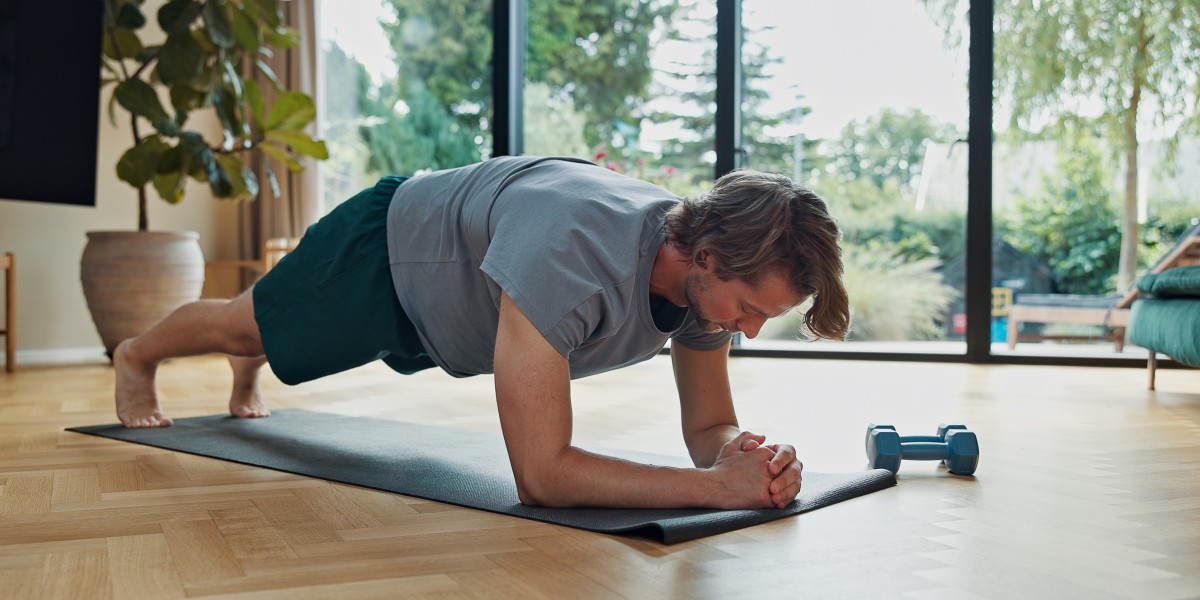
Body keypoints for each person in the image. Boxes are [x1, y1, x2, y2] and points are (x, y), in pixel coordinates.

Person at [113, 155, 849, 510]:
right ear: (708, 256)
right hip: (388, 255)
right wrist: (713, 490)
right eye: (750, 308)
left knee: (268, 340)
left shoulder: (704, 286)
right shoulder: (572, 256)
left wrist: (740, 457)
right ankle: (138, 355)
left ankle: (256, 355)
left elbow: (710, 424)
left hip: (450, 313)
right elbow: (541, 476)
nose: (751, 330)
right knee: (245, 328)